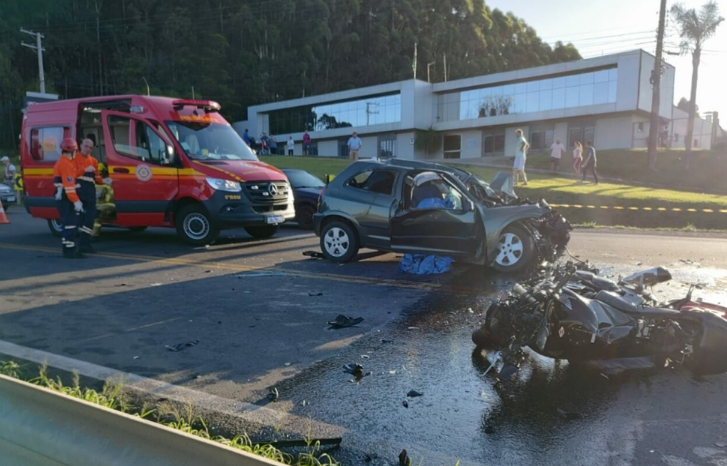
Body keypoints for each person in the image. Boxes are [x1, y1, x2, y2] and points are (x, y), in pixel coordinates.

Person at [75, 138, 109, 253]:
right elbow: (70, 175)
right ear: (80, 145)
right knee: (80, 219)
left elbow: (97, 177)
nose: (88, 149)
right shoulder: (74, 159)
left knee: (89, 220)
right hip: (79, 191)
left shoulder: (94, 161)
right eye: (86, 146)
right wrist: (84, 169)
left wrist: (105, 181)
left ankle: (85, 244)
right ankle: (79, 245)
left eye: (90, 147)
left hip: (90, 192)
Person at [53, 138, 84, 258]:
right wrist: (76, 201)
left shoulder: (62, 162)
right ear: (72, 151)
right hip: (67, 198)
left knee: (67, 224)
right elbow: (69, 186)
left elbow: (70, 176)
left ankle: (67, 248)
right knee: (71, 223)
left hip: (62, 196)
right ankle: (70, 251)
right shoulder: (66, 164)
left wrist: (83, 170)